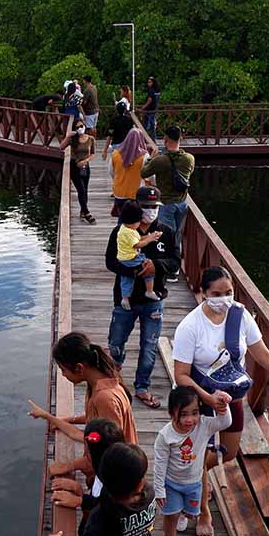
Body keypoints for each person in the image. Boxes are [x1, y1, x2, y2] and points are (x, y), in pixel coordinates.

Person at [172, 266, 269, 536]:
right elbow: (180, 374)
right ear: (204, 293)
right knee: (201, 452)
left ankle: (188, 473)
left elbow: (263, 356)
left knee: (227, 454)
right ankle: (202, 512)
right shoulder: (190, 326)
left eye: (228, 292)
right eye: (216, 294)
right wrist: (207, 399)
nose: (223, 299)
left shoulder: (240, 316)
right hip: (198, 399)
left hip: (233, 398)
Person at [27, 331, 138, 480]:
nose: (63, 375)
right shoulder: (100, 382)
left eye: (63, 370)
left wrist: (67, 466)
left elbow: (108, 452)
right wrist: (60, 418)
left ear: (79, 368)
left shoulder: (104, 398)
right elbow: (97, 422)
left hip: (117, 477)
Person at [106, 186, 179, 410]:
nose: (150, 211)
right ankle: (113, 377)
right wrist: (136, 271)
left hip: (153, 300)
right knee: (116, 342)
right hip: (126, 299)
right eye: (146, 207)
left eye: (154, 207)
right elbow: (110, 261)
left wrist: (155, 266)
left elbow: (175, 262)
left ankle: (142, 387)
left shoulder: (166, 232)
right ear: (136, 206)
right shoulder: (120, 232)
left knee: (149, 344)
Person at [153, 386, 228, 536]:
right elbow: (160, 463)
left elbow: (225, 423)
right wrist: (159, 490)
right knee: (170, 514)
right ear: (172, 413)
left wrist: (223, 405)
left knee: (190, 512)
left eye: (194, 413)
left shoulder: (203, 425)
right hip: (172, 483)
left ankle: (182, 514)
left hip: (194, 483)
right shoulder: (165, 436)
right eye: (184, 414)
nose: (190, 419)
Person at [140, 125, 193, 277]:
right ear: (180, 138)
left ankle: (170, 270)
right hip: (182, 203)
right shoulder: (189, 159)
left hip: (166, 204)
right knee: (177, 236)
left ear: (165, 139)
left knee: (166, 236)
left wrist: (151, 158)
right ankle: (175, 267)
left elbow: (143, 172)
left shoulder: (161, 160)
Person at [115, 201, 164, 310]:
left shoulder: (124, 228)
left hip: (123, 259)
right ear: (134, 222)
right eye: (138, 221)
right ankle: (149, 291)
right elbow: (138, 244)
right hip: (132, 258)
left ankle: (125, 297)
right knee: (149, 268)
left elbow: (139, 238)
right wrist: (150, 239)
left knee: (126, 280)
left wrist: (150, 236)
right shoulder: (130, 232)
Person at [109, 125, 156, 218]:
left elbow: (111, 172)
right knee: (135, 219)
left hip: (119, 192)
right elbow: (150, 175)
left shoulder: (115, 154)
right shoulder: (144, 156)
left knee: (122, 217)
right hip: (137, 193)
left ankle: (120, 231)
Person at [61, 120, 97, 224]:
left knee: (85, 189)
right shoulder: (73, 139)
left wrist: (86, 161)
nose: (80, 128)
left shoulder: (90, 139)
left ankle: (82, 210)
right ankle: (87, 212)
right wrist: (68, 137)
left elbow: (93, 154)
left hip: (85, 166)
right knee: (81, 189)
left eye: (81, 126)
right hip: (75, 166)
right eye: (77, 127)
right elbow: (61, 147)